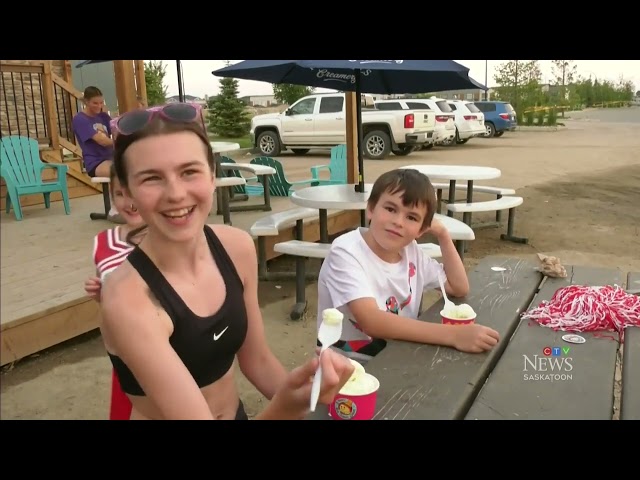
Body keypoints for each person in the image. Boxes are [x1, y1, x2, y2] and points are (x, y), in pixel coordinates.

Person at [99, 102, 353, 420]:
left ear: (213, 176)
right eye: (152, 178)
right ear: (125, 192)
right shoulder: (128, 301)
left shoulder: (235, 248)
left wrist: (308, 399)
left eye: (189, 171)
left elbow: (257, 360)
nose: (176, 193)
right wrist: (287, 407)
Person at [316, 168, 501, 358]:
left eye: (411, 217)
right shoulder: (346, 251)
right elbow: (370, 320)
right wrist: (454, 335)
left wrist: (444, 235)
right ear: (371, 209)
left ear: (422, 229)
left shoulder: (411, 251)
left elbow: (458, 287)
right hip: (349, 371)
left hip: (401, 357)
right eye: (390, 209)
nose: (398, 222)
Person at [84, 163, 146, 420]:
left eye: (133, 194)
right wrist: (101, 295)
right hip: (123, 349)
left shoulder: (166, 237)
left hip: (171, 344)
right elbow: (109, 302)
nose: (128, 203)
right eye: (119, 194)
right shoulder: (102, 242)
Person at [72, 86, 122, 223]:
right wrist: (119, 142)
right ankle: (115, 210)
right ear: (86, 102)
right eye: (95, 103)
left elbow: (117, 131)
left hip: (111, 158)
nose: (99, 106)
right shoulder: (79, 120)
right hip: (95, 162)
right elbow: (102, 141)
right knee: (119, 170)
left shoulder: (103, 116)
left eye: (101, 102)